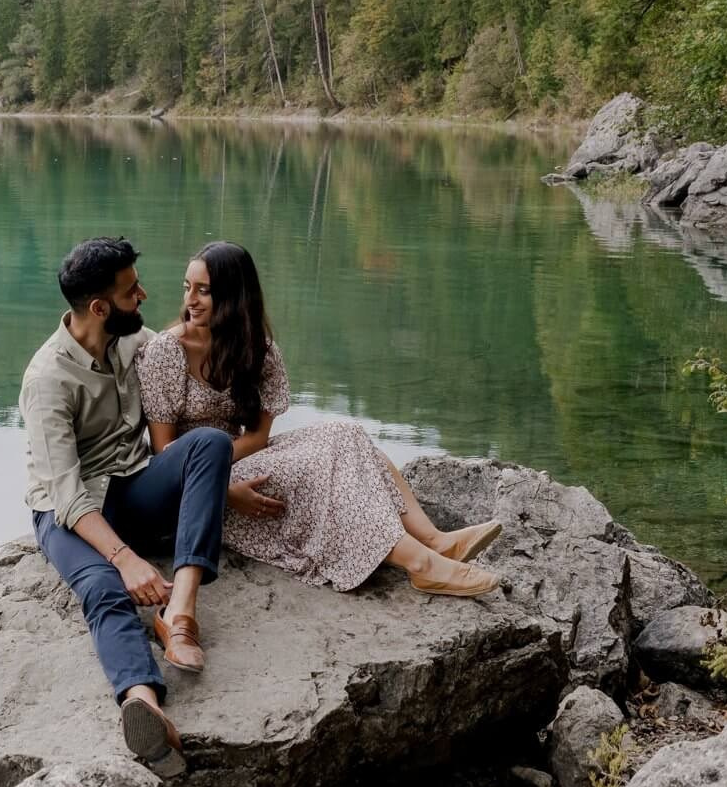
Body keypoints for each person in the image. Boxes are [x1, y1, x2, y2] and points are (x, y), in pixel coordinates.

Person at [136, 241, 502, 596]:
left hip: (244, 456)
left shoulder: (258, 350)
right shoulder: (168, 352)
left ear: (234, 297)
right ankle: (421, 564)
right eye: (188, 288)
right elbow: (166, 451)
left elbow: (259, 437)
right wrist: (220, 488)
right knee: (320, 471)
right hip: (199, 484)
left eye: (204, 291)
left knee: (345, 433)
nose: (190, 300)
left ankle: (435, 540)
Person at [20, 237, 233, 778]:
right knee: (103, 589)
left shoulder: (135, 340)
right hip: (70, 514)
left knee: (209, 443)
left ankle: (180, 610)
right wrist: (126, 559)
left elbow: (198, 359)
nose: (144, 294)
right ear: (99, 308)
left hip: (132, 486)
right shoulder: (47, 380)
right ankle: (144, 704)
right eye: (131, 290)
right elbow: (66, 496)